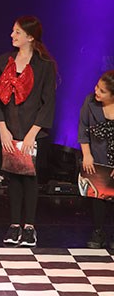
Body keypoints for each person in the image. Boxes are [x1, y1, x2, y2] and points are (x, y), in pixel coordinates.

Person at [0, 15, 57, 247]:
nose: (12, 35)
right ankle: (14, 225)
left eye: (17, 32)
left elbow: (48, 102)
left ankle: (29, 226)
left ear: (30, 37)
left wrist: (32, 133)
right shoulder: (5, 60)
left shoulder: (44, 65)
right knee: (13, 178)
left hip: (33, 130)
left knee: (30, 178)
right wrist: (2, 128)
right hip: (10, 128)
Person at [79, 70, 114, 248]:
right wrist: (87, 154)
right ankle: (98, 231)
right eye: (97, 87)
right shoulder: (90, 102)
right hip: (98, 156)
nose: (96, 91)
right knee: (98, 196)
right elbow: (83, 130)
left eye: (102, 91)